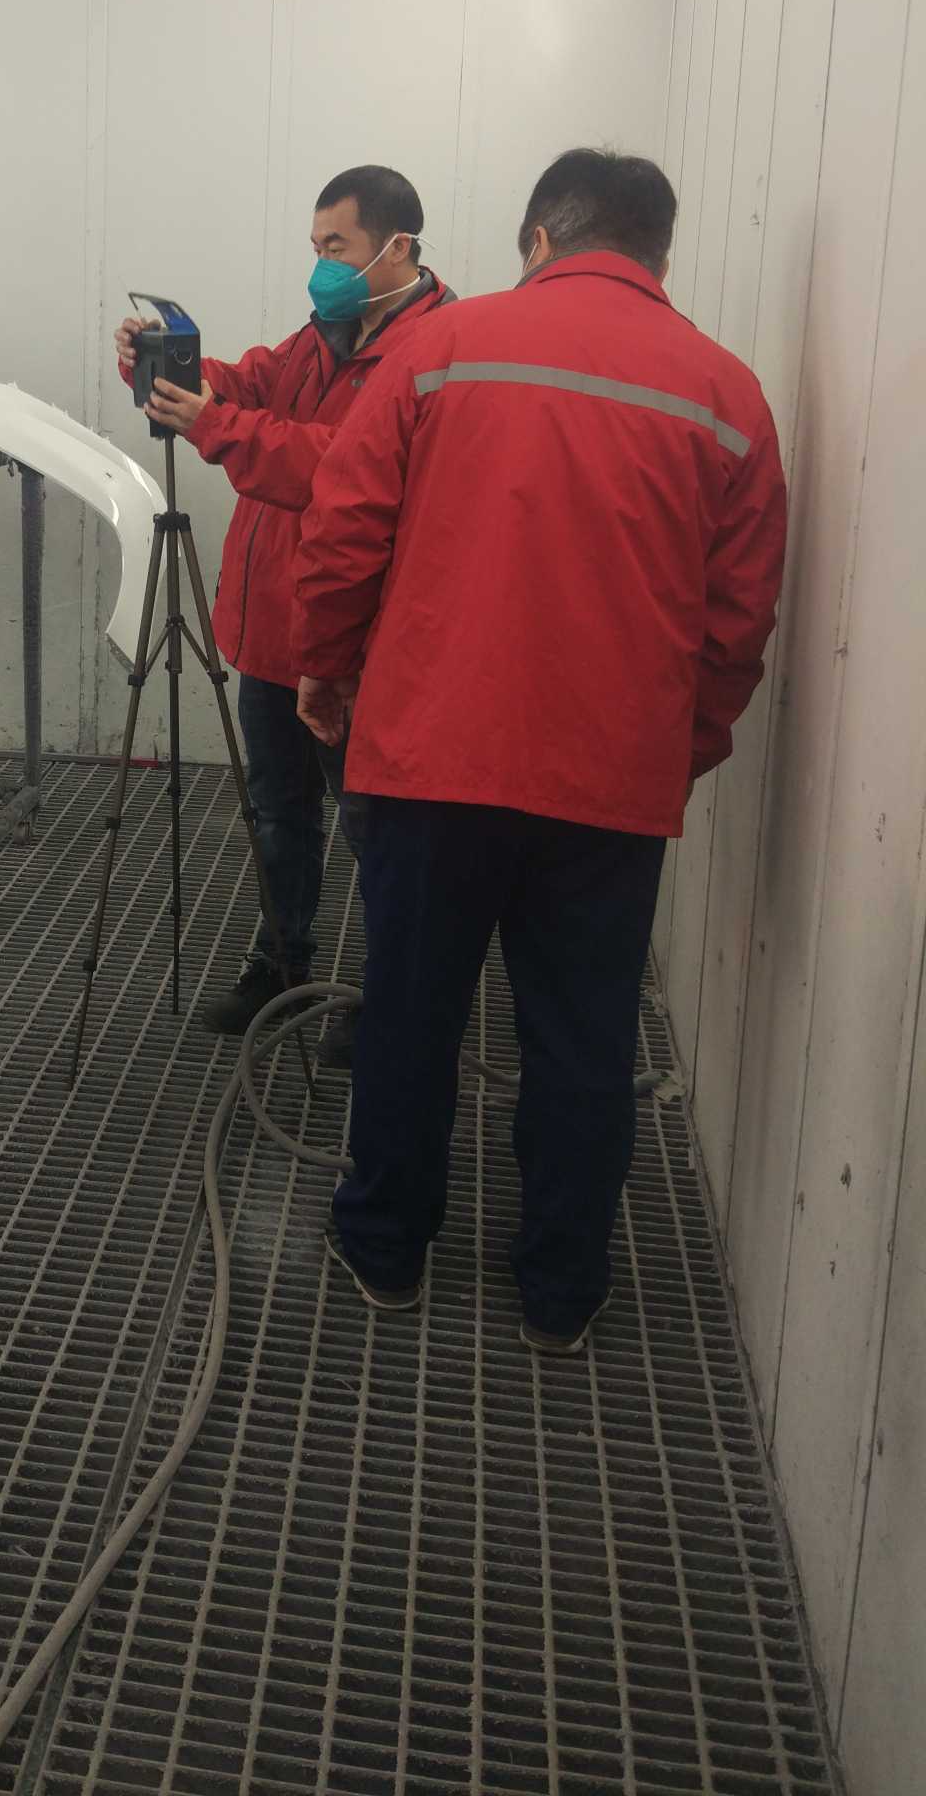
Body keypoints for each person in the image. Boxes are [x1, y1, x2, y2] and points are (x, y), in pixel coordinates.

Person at [293, 149, 787, 1353]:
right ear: (657, 255)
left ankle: (386, 1251)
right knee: (582, 1041)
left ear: (536, 240)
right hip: (611, 785)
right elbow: (739, 622)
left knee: (411, 1014)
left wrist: (326, 667)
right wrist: (679, 749)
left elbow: (346, 533)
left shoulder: (439, 353)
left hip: (429, 761)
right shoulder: (728, 398)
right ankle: (560, 1292)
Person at [114, 165, 455, 1046]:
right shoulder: (325, 333)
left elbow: (336, 464)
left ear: (398, 247)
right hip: (273, 630)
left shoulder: (432, 352)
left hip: (358, 648)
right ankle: (282, 962)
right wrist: (167, 369)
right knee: (278, 814)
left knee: (376, 830)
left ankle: (392, 1001)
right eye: (316, 247)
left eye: (337, 246)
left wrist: (212, 424)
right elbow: (252, 382)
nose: (322, 265)